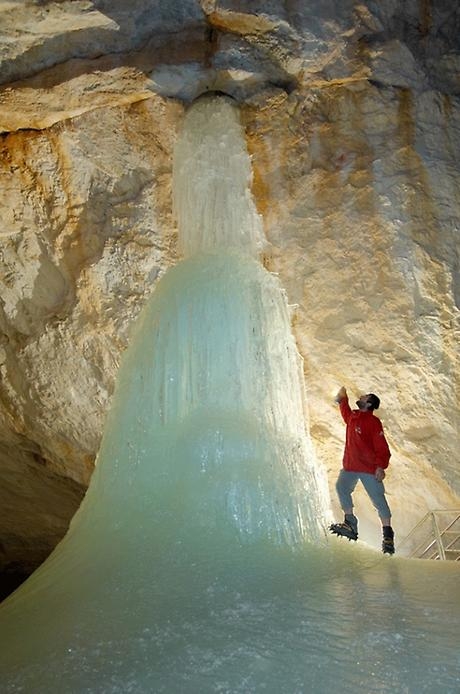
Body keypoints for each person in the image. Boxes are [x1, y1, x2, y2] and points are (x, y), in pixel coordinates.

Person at [330, 386, 395, 554]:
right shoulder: (354, 416)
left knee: (378, 499)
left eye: (364, 396)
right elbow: (346, 414)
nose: (361, 396)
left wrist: (380, 466)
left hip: (368, 468)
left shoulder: (374, 422)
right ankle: (350, 523)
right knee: (341, 488)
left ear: (369, 403)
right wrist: (343, 399)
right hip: (350, 466)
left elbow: (382, 447)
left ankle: (388, 535)